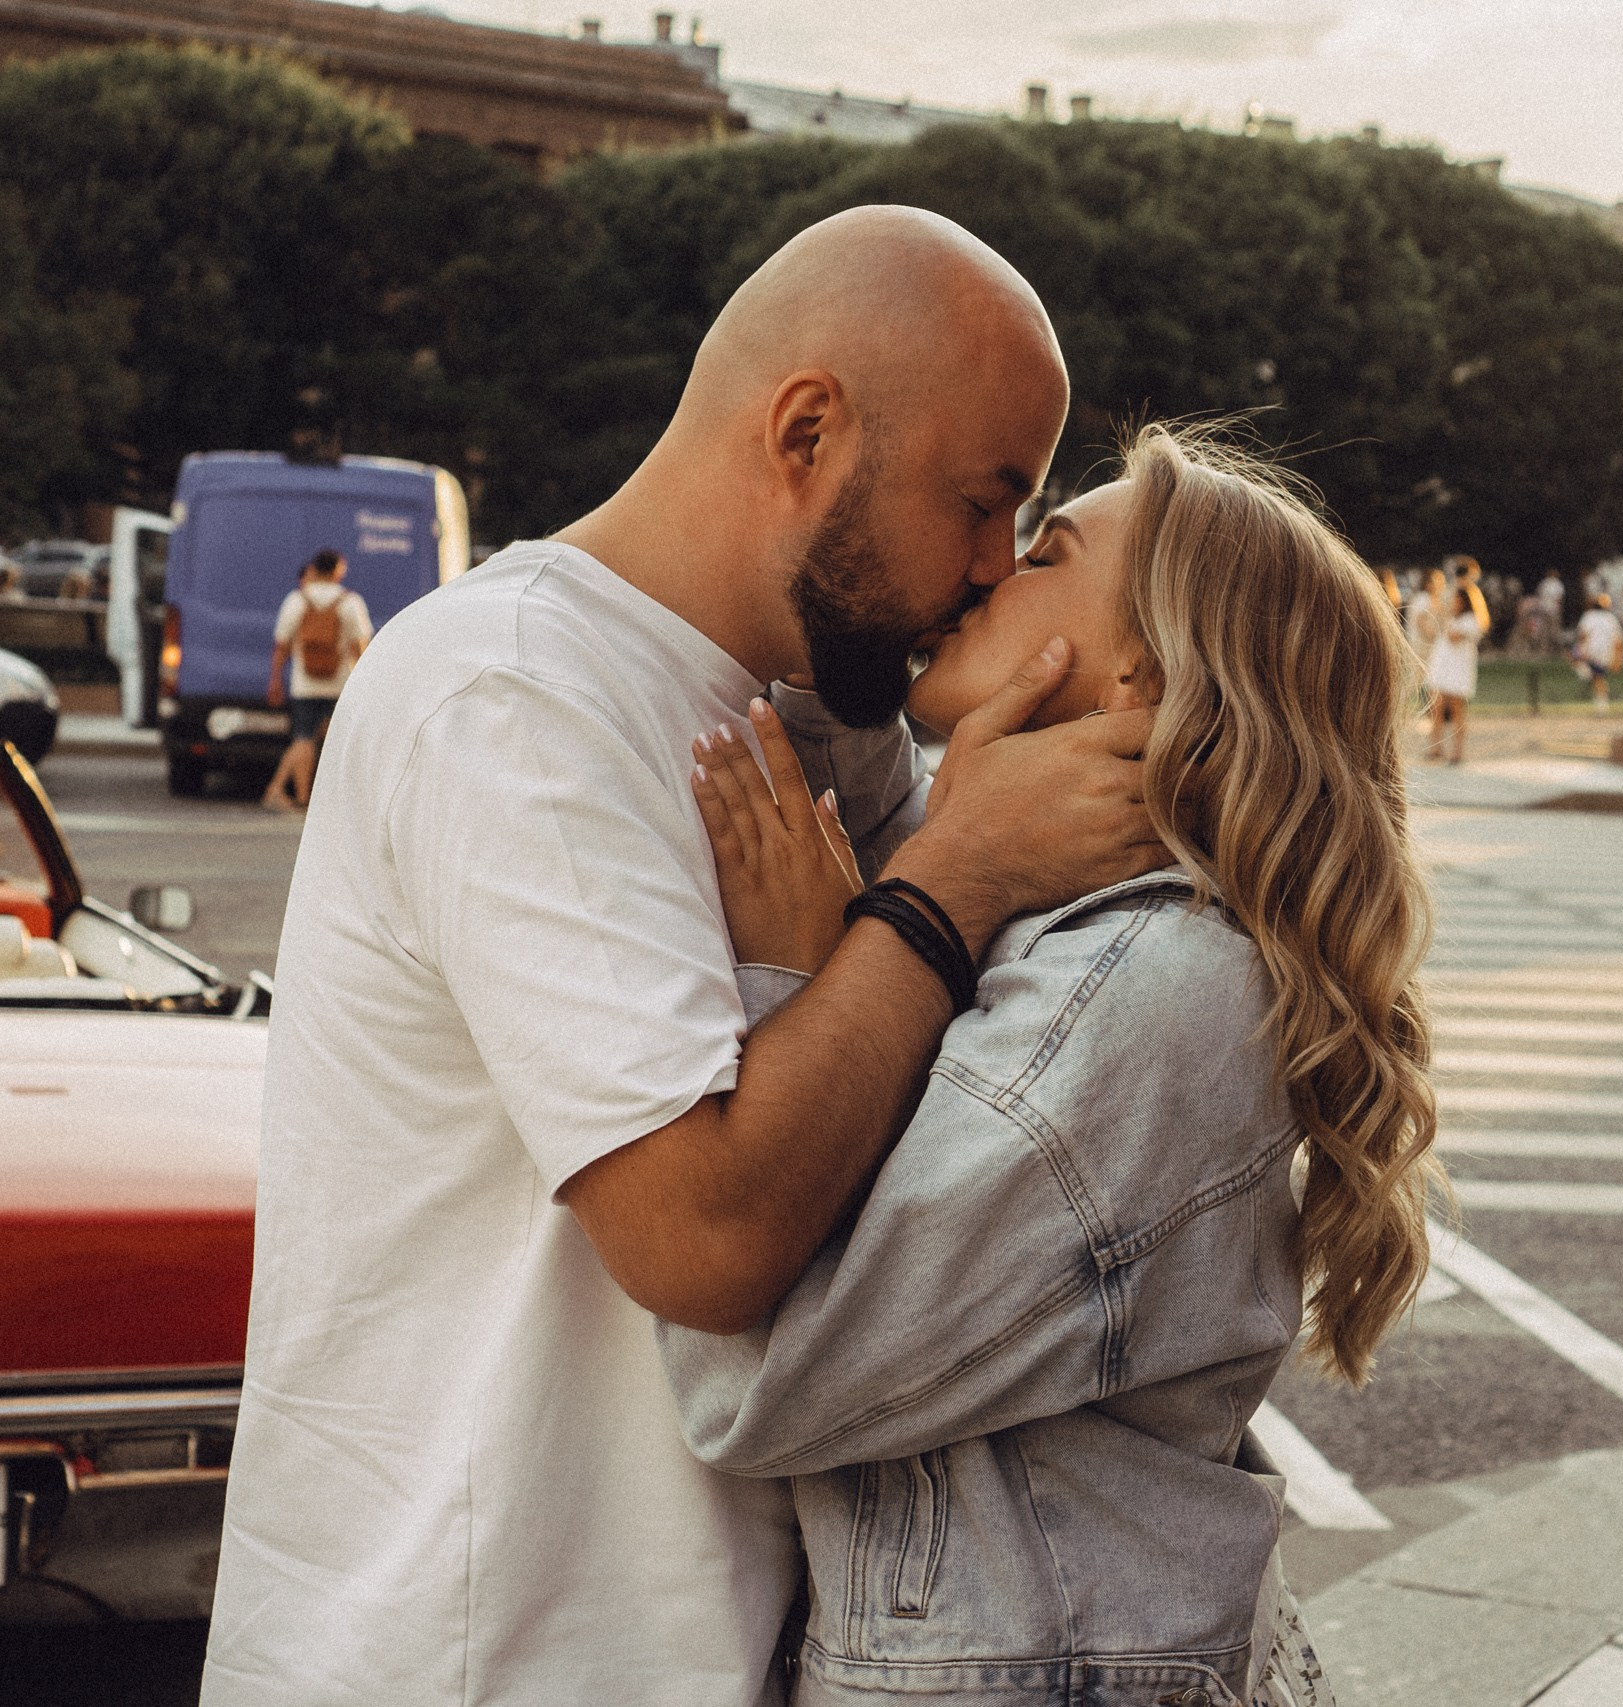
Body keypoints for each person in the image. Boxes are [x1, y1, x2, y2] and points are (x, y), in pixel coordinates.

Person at [202, 207, 1163, 1707]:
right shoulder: (514, 694)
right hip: (486, 1654)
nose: (991, 568)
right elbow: (700, 1236)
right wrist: (948, 877)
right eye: (984, 502)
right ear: (805, 431)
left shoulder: (825, 708)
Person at [660, 426, 1439, 1705]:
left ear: (1137, 668)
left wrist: (811, 975)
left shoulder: (1140, 994)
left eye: (1048, 550)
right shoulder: (1088, 936)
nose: (985, 573)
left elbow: (760, 1384)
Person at [259, 549, 372, 812]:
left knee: (303, 739)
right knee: (340, 742)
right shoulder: (350, 601)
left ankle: (296, 795)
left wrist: (275, 679)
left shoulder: (296, 600)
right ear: (338, 569)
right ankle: (305, 795)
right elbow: (360, 646)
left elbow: (281, 646)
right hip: (341, 684)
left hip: (304, 684)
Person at [1423, 556, 1486, 764]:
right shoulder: (1448, 607)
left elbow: (1455, 635)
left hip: (1458, 665)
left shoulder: (1470, 620)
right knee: (1437, 705)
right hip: (1442, 661)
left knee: (1457, 708)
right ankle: (1436, 746)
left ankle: (1457, 751)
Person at [1573, 591, 1623, 709]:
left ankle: (1588, 675)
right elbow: (1619, 641)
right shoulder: (1612, 618)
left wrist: (1580, 651)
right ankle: (1600, 697)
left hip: (1591, 654)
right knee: (1598, 676)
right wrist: (1618, 659)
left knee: (1575, 653)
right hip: (1607, 654)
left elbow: (1582, 637)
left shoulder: (1588, 616)